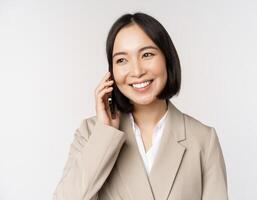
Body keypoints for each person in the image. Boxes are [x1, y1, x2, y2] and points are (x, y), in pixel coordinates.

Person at [53, 12, 228, 200]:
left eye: (147, 54)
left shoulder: (203, 139)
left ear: (167, 58)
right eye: (121, 60)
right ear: (111, 72)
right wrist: (105, 134)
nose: (136, 71)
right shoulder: (90, 133)